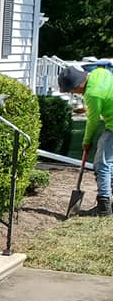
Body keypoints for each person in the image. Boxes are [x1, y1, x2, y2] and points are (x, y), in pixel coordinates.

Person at [57, 64, 113, 216]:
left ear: (77, 85)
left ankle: (104, 207)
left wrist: (86, 142)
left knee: (102, 163)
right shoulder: (100, 72)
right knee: (109, 162)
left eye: (71, 91)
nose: (74, 94)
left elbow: (93, 121)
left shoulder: (92, 95)